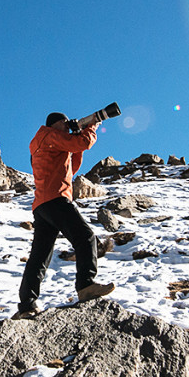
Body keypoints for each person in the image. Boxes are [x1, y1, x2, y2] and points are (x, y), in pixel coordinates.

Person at [17, 111, 116, 318]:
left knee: (40, 256)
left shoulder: (44, 141)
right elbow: (82, 143)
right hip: (56, 198)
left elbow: (72, 168)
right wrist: (92, 125)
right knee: (85, 237)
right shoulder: (48, 134)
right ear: (55, 124)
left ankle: (27, 304)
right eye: (65, 123)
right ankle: (86, 285)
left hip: (42, 205)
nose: (68, 125)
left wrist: (77, 135)